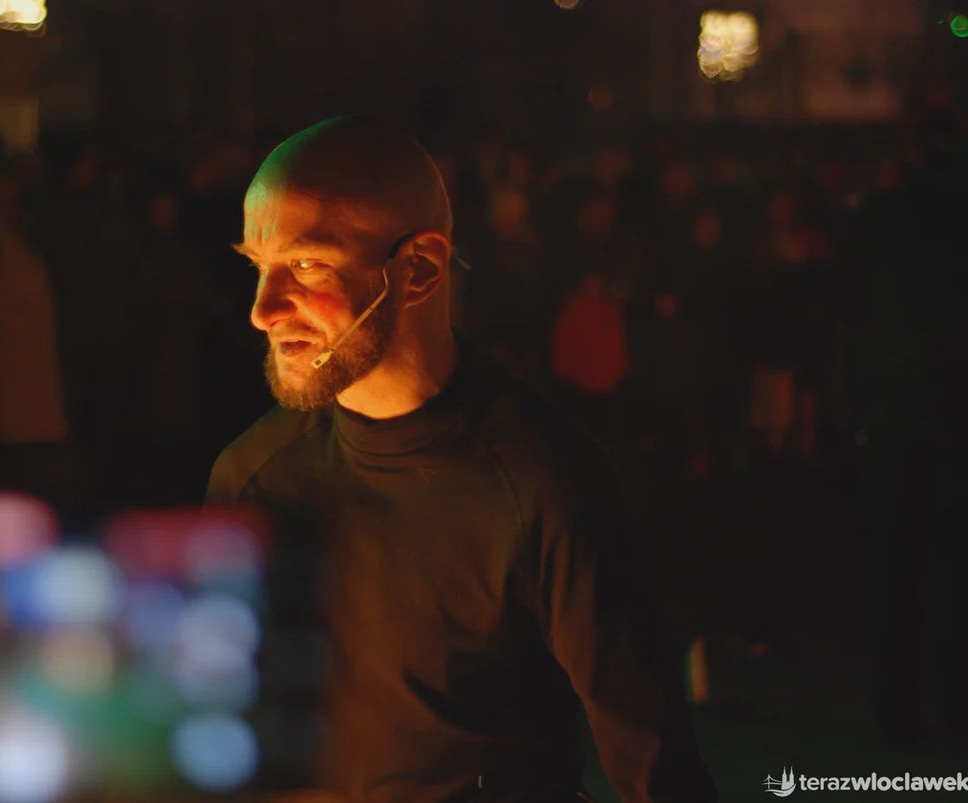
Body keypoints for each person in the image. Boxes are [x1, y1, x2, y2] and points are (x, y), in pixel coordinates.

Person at [205, 116, 717, 802]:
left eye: (306, 264)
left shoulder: (539, 482)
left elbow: (653, 760)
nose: (263, 310)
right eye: (257, 266)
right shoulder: (254, 476)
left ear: (419, 269)